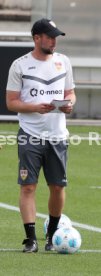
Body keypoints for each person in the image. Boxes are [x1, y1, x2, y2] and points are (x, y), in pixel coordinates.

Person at [6, 18, 76, 253]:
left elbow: (70, 93)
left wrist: (69, 105)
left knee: (57, 187)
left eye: (56, 36)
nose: (54, 40)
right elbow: (11, 102)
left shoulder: (63, 61)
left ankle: (51, 235)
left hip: (58, 135)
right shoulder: (19, 65)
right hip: (30, 135)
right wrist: (35, 107)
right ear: (37, 38)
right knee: (28, 187)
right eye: (50, 36)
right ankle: (30, 239)